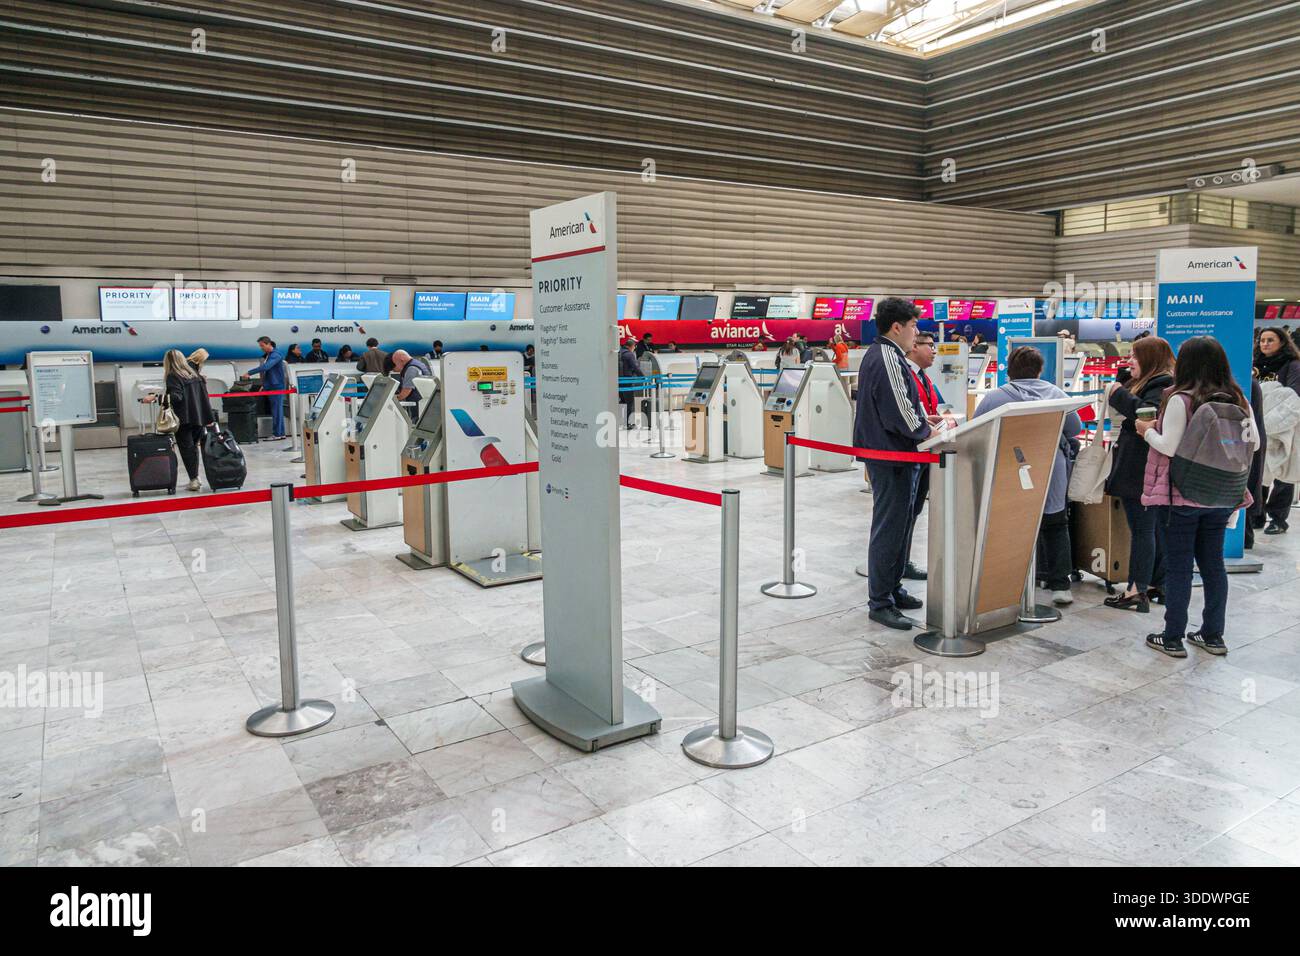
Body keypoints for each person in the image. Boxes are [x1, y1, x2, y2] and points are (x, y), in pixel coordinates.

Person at [1137, 336, 1258, 657]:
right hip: (1222, 494)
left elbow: (1169, 446)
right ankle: (1212, 635)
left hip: (1182, 496)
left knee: (1178, 567)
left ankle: (1173, 636)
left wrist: (1145, 429)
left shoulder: (1181, 399)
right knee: (1213, 565)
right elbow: (1254, 443)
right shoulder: (1238, 399)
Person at [854, 298, 943, 630]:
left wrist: (922, 420)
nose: (916, 333)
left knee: (900, 524)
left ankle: (892, 588)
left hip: (893, 453)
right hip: (892, 456)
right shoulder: (888, 357)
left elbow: (901, 405)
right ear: (898, 327)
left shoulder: (883, 355)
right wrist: (924, 429)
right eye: (914, 327)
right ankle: (880, 601)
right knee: (889, 528)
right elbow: (898, 413)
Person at [975, 346, 1083, 606]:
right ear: (1039, 370)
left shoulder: (996, 397)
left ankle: (1016, 580)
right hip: (1051, 467)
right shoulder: (1055, 394)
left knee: (1014, 524)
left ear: (1009, 370)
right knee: (1056, 523)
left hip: (1012, 467)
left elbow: (977, 429)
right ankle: (1060, 584)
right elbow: (1075, 427)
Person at [1102, 336, 1176, 612]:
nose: (1129, 360)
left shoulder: (1162, 385)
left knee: (1143, 529)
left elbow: (1144, 416)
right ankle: (1157, 584)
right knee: (1153, 527)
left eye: (1134, 356)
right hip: (1143, 466)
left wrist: (1118, 393)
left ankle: (1136, 590)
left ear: (1151, 359)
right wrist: (1124, 378)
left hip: (1142, 467)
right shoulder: (1155, 381)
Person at [900, 330, 942, 582]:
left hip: (927, 452)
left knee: (914, 511)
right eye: (930, 345)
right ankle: (898, 564)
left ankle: (903, 561)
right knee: (905, 511)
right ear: (914, 346)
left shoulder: (923, 377)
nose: (934, 350)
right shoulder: (905, 376)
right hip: (910, 454)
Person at [1253, 327, 1300, 534]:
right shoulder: (1254, 364)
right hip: (1258, 422)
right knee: (1260, 470)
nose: (1265, 344)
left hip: (1283, 425)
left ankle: (1278, 518)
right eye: (1262, 340)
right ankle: (1257, 513)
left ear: (1282, 342)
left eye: (1270, 340)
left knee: (1283, 470)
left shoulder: (1292, 365)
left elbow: (1293, 396)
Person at [161, 349, 216, 491]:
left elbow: (176, 397)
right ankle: (196, 477)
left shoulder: (173, 376)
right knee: (193, 448)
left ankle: (194, 480)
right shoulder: (195, 375)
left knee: (187, 449)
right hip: (199, 417)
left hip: (184, 419)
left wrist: (157, 398)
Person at [242, 336, 287, 438]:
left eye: (262, 346)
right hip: (271, 385)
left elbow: (266, 367)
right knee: (276, 410)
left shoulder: (276, 355)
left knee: (277, 410)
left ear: (268, 344)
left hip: (276, 386)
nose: (261, 348)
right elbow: (268, 372)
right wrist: (265, 385)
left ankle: (277, 433)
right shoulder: (269, 355)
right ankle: (281, 433)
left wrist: (250, 372)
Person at [391, 350, 431, 422]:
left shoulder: (411, 369)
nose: (396, 366)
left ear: (401, 360)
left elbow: (406, 391)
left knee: (415, 424)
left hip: (417, 405)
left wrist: (394, 399)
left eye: (395, 363)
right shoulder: (419, 364)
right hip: (424, 403)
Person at [618, 337, 642, 428]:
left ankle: (621, 422)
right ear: (632, 346)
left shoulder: (618, 353)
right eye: (634, 346)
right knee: (630, 402)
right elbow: (636, 367)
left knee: (622, 401)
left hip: (618, 381)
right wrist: (643, 378)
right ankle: (629, 423)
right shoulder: (629, 354)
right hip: (627, 381)